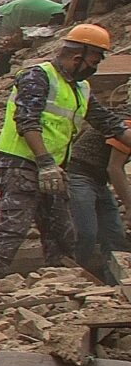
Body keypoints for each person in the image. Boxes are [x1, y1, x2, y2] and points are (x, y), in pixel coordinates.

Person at [0, 24, 120, 278]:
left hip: (53, 168)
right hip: (21, 163)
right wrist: (45, 162)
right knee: (15, 225)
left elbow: (108, 123)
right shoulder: (37, 76)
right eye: (94, 60)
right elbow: (26, 121)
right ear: (78, 56)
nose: (95, 66)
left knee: (60, 230)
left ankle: (58, 277)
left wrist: (50, 166)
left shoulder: (81, 88)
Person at [67, 100, 131, 284]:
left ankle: (115, 286)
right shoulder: (126, 125)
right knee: (86, 232)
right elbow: (115, 169)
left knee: (115, 236)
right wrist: (128, 206)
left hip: (99, 180)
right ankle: (70, 279)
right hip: (78, 173)